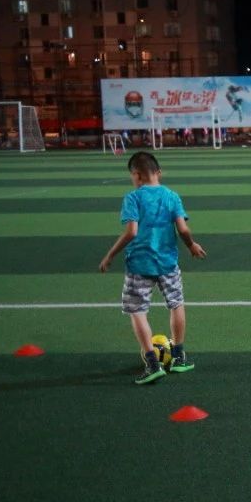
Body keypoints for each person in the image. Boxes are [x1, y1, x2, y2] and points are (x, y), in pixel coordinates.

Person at [98, 152, 207, 384]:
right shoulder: (172, 196)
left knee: (137, 310)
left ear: (136, 176)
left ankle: (152, 363)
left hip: (139, 263)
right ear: (159, 172)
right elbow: (183, 230)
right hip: (168, 262)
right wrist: (191, 245)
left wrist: (110, 255)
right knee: (176, 304)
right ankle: (179, 358)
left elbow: (131, 232)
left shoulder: (132, 198)